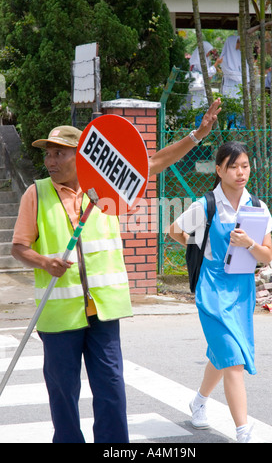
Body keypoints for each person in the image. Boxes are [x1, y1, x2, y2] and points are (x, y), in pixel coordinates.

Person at [11, 99, 221, 444]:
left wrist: (196, 135)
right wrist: (45, 262)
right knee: (62, 393)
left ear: (81, 156)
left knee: (110, 388)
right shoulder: (36, 193)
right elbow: (18, 248)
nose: (50, 161)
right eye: (47, 154)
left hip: (104, 310)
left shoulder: (109, 188)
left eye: (59, 153)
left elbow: (152, 164)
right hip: (59, 314)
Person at [169, 141, 272, 443]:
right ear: (219, 170)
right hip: (212, 289)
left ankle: (199, 402)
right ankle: (243, 431)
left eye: (245, 166)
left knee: (224, 353)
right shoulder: (206, 205)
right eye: (233, 166)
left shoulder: (257, 206)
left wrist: (250, 246)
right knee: (234, 360)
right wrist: (203, 250)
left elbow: (267, 255)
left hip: (242, 290)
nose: (241, 172)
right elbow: (175, 231)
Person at [188, 42, 223, 108]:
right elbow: (206, 73)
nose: (209, 53)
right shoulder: (198, 60)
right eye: (208, 51)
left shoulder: (204, 58)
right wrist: (216, 63)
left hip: (201, 86)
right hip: (198, 86)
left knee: (203, 102)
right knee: (199, 103)